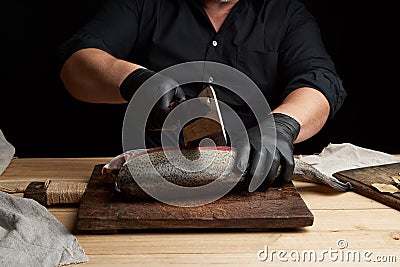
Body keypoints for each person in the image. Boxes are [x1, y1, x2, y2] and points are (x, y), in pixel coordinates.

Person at [57, 0, 346, 191]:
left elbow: (321, 81)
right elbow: (76, 63)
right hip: (152, 181)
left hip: (256, 181)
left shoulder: (286, 13)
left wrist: (281, 126)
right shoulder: (143, 4)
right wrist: (135, 80)